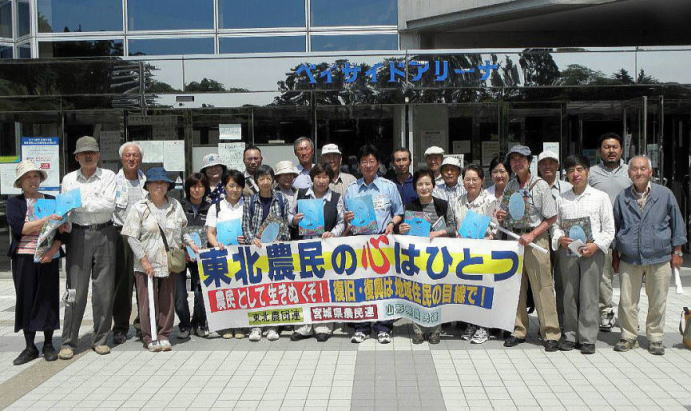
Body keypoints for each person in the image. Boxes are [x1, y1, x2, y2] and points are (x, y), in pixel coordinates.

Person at [612, 156, 686, 355]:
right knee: (627, 301)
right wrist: (615, 255)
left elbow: (677, 224)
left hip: (659, 257)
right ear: (629, 174)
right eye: (634, 169)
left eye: (643, 169)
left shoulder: (665, 195)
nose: (638, 172)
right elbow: (615, 226)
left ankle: (655, 337)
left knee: (658, 300)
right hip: (629, 257)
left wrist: (677, 252)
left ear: (650, 172)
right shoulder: (622, 197)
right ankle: (628, 336)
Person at [496, 144, 561, 352]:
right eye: (513, 159)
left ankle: (550, 333)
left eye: (521, 159)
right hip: (514, 239)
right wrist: (501, 215)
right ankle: (518, 329)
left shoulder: (540, 185)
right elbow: (505, 211)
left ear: (529, 161)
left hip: (535, 240)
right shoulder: (510, 185)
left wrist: (532, 234)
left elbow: (551, 216)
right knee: (516, 287)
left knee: (542, 287)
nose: (517, 162)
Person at [59, 136, 118, 360]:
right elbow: (66, 208)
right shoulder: (68, 179)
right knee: (76, 290)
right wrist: (89, 202)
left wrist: (80, 203)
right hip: (78, 235)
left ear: (98, 155)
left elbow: (109, 205)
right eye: (83, 153)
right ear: (76, 157)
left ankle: (101, 339)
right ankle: (68, 341)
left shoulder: (109, 176)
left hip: (105, 233)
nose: (88, 156)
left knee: (103, 290)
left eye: (92, 152)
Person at [121, 167, 191, 352]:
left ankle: (164, 334)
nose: (159, 186)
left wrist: (192, 245)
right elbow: (131, 236)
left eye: (163, 183)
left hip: (168, 261)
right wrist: (143, 260)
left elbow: (183, 231)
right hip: (146, 262)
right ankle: (149, 336)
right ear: (148, 186)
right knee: (146, 301)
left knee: (167, 299)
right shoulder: (139, 208)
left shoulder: (175, 205)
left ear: (168, 186)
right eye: (155, 183)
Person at [551, 155, 614, 354]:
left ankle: (587, 337)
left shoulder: (600, 197)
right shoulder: (562, 198)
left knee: (589, 295)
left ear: (587, 171)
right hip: (568, 253)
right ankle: (569, 334)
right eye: (571, 171)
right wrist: (560, 238)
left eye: (579, 169)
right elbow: (555, 226)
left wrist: (596, 246)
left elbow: (609, 230)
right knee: (568, 294)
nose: (575, 174)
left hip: (591, 253)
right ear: (566, 175)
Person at [345, 144, 404, 344]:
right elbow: (344, 218)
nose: (368, 165)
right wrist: (347, 217)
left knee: (383, 286)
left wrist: (391, 224)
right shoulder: (351, 189)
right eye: (364, 162)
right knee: (361, 285)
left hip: (382, 242)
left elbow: (399, 212)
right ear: (359, 166)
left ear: (378, 164)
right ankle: (362, 326)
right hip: (359, 242)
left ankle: (383, 327)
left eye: (372, 161)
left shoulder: (389, 186)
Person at [7, 161, 64, 365]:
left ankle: (48, 344)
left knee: (48, 299)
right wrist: (48, 219)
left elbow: (60, 233)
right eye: (28, 177)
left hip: (48, 256)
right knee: (26, 299)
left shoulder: (51, 199)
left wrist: (53, 250)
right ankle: (30, 346)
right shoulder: (14, 203)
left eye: (36, 176)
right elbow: (21, 228)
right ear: (20, 182)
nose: (33, 180)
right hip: (24, 257)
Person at [288, 163, 345, 342]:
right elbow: (288, 215)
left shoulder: (336, 197)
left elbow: (342, 221)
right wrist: (294, 220)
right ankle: (303, 326)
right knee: (304, 287)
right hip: (303, 247)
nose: (321, 181)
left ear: (330, 179)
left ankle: (323, 325)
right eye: (318, 177)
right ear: (312, 178)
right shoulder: (301, 194)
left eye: (325, 177)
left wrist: (333, 233)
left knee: (324, 287)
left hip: (326, 248)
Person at [397, 168, 454, 344]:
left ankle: (436, 330)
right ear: (415, 188)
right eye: (420, 184)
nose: (424, 187)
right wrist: (402, 229)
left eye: (427, 183)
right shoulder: (410, 206)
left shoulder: (442, 204)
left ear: (433, 185)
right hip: (417, 257)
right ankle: (418, 330)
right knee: (418, 292)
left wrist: (437, 234)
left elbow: (453, 228)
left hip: (438, 256)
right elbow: (405, 233)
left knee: (436, 293)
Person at [448, 164, 497, 345]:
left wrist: (487, 235)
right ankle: (471, 324)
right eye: (467, 179)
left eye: (474, 179)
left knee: (483, 290)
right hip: (463, 253)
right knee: (468, 289)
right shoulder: (458, 200)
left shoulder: (489, 200)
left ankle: (483, 326)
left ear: (482, 180)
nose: (470, 183)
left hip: (483, 253)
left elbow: (495, 226)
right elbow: (454, 223)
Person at [587, 132, 630, 331]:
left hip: (627, 231)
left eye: (615, 147)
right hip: (601, 233)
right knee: (604, 275)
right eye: (606, 147)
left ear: (621, 150)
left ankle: (629, 315)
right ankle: (605, 312)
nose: (611, 151)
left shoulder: (631, 171)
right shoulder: (591, 173)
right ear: (599, 151)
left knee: (629, 275)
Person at [242, 165, 290, 341]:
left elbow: (285, 224)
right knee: (256, 288)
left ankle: (272, 326)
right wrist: (250, 239)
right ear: (256, 181)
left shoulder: (281, 199)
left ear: (273, 180)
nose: (265, 182)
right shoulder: (249, 201)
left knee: (275, 288)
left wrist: (282, 239)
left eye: (268, 178)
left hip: (276, 250)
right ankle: (256, 326)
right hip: (256, 251)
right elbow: (245, 226)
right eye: (261, 179)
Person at [111, 142, 146, 345]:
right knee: (122, 284)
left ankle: (143, 323)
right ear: (121, 158)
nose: (131, 159)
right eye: (127, 155)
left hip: (143, 236)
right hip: (122, 235)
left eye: (135, 155)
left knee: (143, 280)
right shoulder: (112, 181)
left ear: (140, 159)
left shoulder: (146, 181)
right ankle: (120, 326)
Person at [206, 170, 248, 339]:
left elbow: (252, 228)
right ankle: (226, 326)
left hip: (242, 254)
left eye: (238, 186)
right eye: (231, 185)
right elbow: (210, 232)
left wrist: (247, 238)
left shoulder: (248, 205)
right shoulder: (216, 207)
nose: (235, 190)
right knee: (226, 290)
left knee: (242, 290)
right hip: (223, 255)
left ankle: (240, 325)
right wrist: (217, 244)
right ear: (224, 187)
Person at [537, 150, 571, 328]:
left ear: (558, 166)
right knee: (544, 284)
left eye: (551, 163)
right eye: (543, 163)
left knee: (563, 282)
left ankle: (564, 323)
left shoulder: (567, 188)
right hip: (540, 240)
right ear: (538, 166)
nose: (547, 166)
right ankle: (548, 324)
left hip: (562, 241)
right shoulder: (533, 186)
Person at [176, 173, 211, 339]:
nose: (197, 190)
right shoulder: (179, 207)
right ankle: (184, 323)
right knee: (180, 293)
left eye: (201, 186)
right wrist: (184, 250)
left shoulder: (211, 207)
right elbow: (175, 231)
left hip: (202, 256)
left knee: (200, 291)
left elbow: (213, 232)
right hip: (182, 255)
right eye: (193, 186)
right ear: (188, 188)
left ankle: (199, 322)